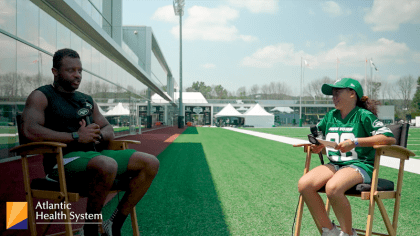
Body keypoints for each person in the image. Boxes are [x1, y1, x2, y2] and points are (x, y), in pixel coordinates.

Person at [21, 48, 160, 236]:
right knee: (106, 164)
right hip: (61, 163)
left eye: (80, 70)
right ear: (55, 72)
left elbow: (108, 128)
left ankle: (114, 223)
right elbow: (29, 130)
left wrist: (98, 136)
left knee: (150, 162)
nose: (77, 75)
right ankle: (90, 229)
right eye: (71, 70)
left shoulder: (86, 100)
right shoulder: (41, 96)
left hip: (94, 156)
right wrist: (76, 137)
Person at [297, 78, 395, 236]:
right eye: (332, 94)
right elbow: (319, 136)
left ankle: (348, 233)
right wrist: (317, 146)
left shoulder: (364, 115)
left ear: (352, 94)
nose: (334, 97)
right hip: (335, 164)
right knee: (304, 184)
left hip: (360, 165)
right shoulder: (330, 116)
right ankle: (329, 231)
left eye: (337, 93)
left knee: (333, 187)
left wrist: (355, 142)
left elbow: (389, 138)